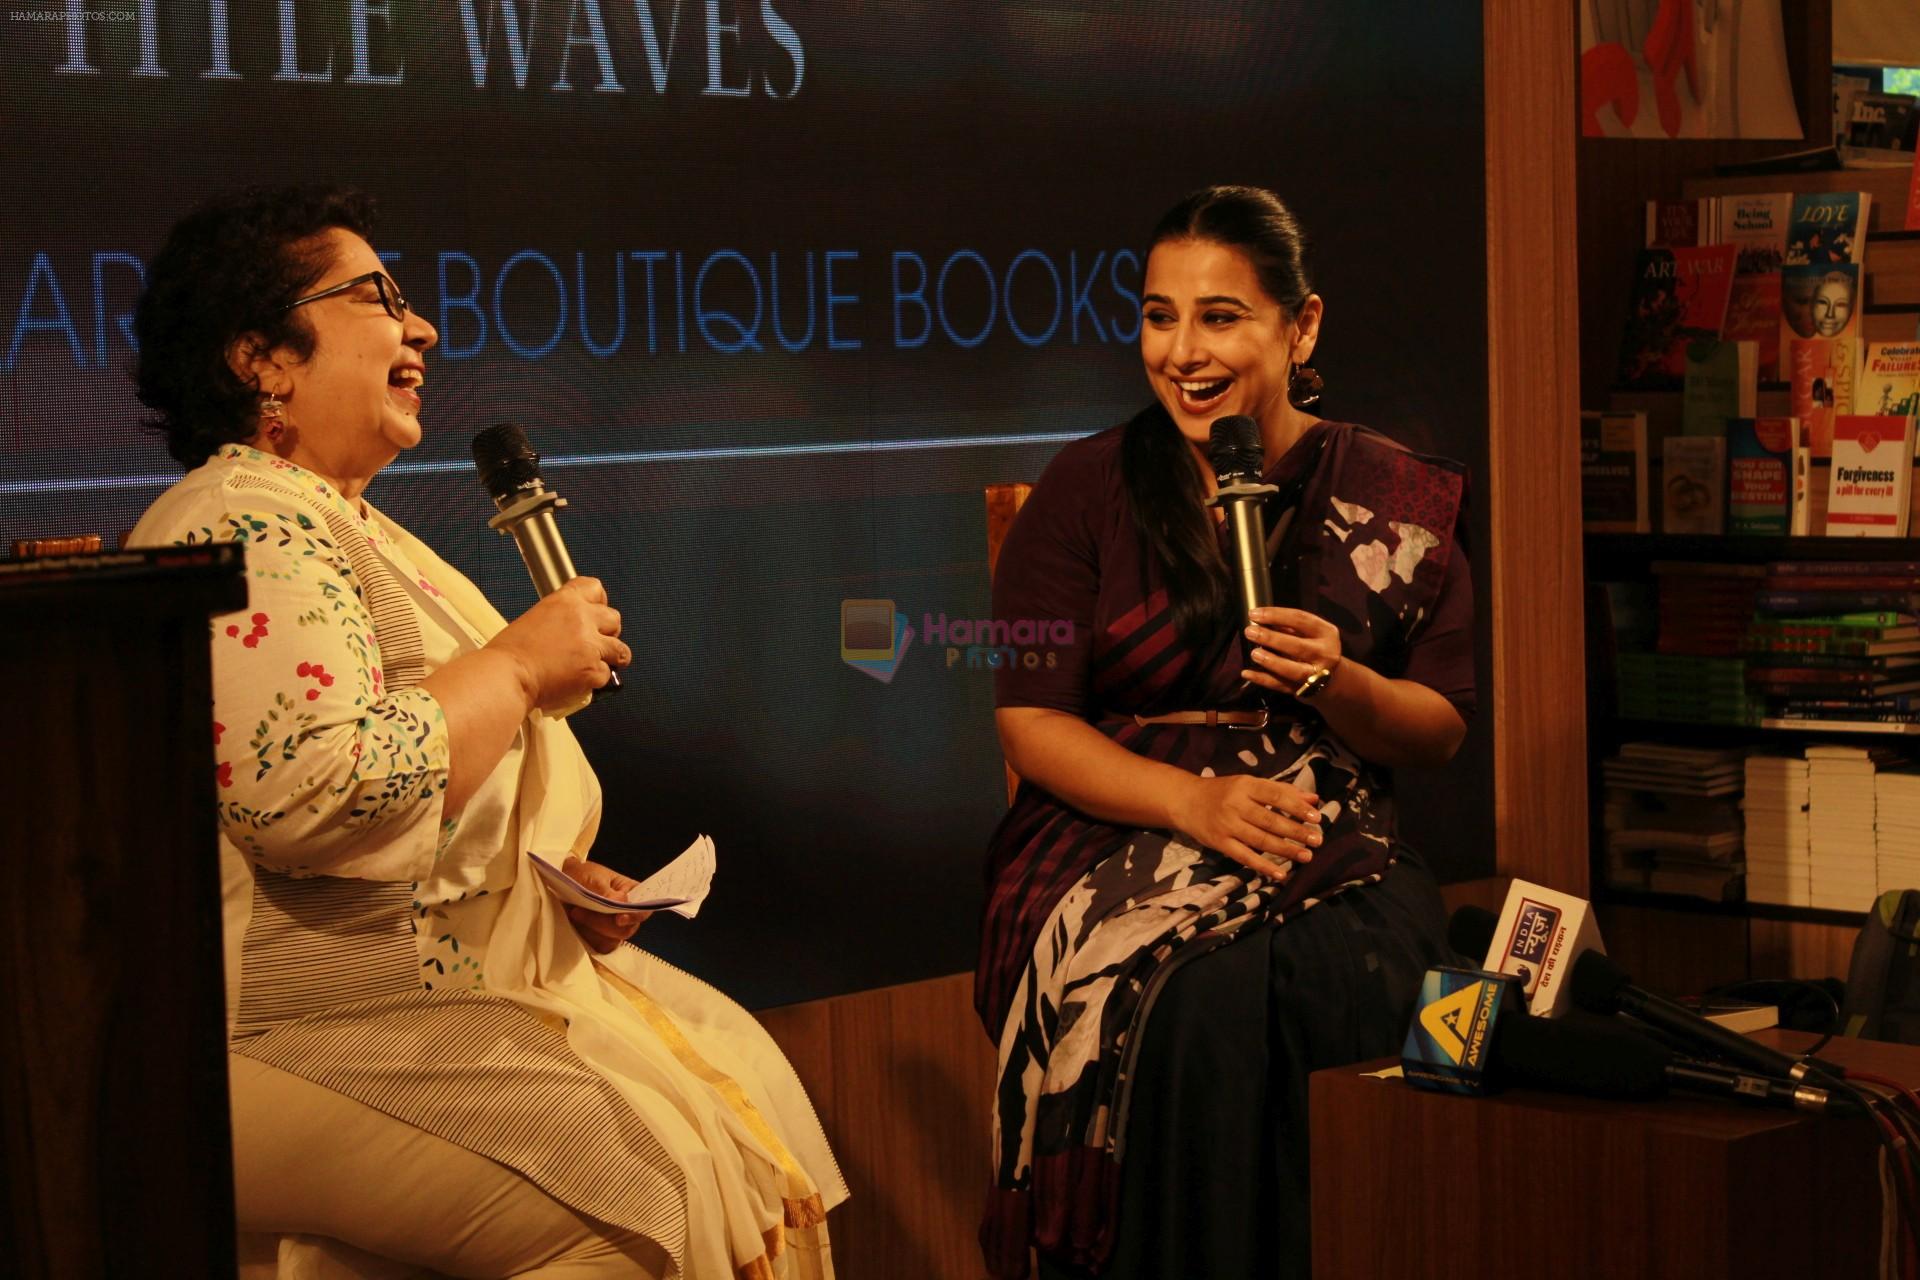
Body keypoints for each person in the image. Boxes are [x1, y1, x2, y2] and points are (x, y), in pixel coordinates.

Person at [128, 185, 844, 1279]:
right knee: (643, 1199)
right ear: (262, 358)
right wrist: (514, 663)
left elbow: (440, 779)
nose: (418, 327)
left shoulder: (337, 518)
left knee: (742, 1098)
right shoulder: (240, 517)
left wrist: (546, 881)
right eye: (374, 295)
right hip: (294, 1015)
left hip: (419, 983)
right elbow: (316, 792)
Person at [974, 185, 1474, 1280]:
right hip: (1111, 827)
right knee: (1193, 1000)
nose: (1183, 351)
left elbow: (1437, 728)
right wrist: (1191, 803)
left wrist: (1339, 680)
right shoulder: (1087, 483)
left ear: (1301, 326)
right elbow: (1032, 719)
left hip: (1323, 828)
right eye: (1160, 315)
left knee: (1363, 964)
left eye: (1221, 316)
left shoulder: (1386, 492)